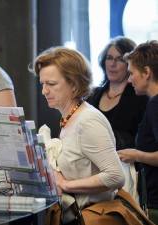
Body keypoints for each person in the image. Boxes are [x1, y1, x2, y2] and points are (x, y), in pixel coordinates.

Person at [33, 46, 125, 224]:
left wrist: (66, 184)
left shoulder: (87, 121)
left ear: (74, 85)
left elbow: (115, 176)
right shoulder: (71, 117)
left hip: (91, 217)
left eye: (51, 84)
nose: (44, 91)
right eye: (42, 84)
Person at [118, 40, 158, 224]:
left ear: (147, 72)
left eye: (132, 73)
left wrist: (137, 155)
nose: (129, 79)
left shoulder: (156, 105)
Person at [88, 36, 148, 150]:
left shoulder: (141, 99)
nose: (112, 64)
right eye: (109, 58)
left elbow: (142, 142)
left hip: (126, 163)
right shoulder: (92, 96)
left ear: (130, 65)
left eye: (120, 59)